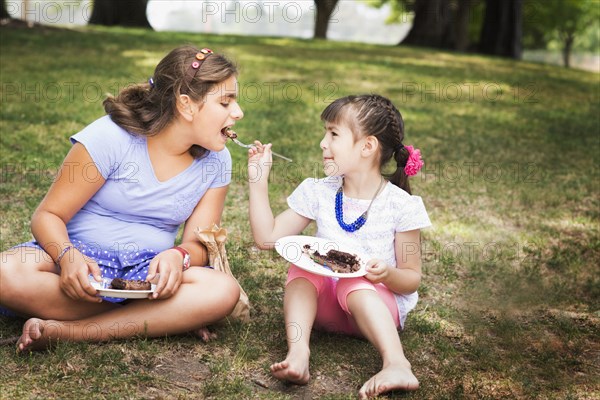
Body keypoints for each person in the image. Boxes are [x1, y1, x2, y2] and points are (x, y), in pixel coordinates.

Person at [0, 45, 244, 351]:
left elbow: (199, 244)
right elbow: (47, 216)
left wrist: (177, 256)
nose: (238, 113)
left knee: (221, 291)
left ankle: (69, 331)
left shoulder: (217, 161)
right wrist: (68, 256)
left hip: (147, 272)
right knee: (6, 272)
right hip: (77, 262)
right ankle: (162, 317)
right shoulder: (111, 138)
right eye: (226, 102)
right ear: (186, 105)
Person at [248, 94, 431, 399]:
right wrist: (258, 180)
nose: (323, 142)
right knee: (305, 264)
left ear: (367, 146)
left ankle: (397, 363)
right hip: (324, 312)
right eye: (325, 133)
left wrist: (386, 274)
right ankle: (298, 353)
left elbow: (412, 279)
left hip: (375, 312)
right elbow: (268, 238)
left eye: (333, 134)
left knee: (354, 282)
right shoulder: (318, 191)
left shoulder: (402, 206)